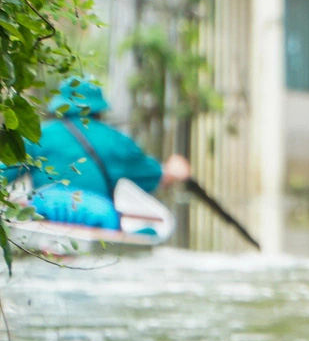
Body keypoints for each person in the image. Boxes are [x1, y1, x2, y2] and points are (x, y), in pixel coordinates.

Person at [4, 77, 189, 230]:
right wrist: (175, 168)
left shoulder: (36, 135)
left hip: (45, 212)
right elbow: (157, 177)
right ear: (100, 108)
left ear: (59, 105)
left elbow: (2, 177)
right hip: (99, 216)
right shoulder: (117, 141)